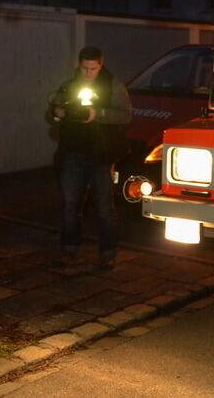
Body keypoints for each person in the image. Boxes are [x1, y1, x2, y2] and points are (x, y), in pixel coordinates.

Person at [46, 46, 131, 271]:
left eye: (93, 69)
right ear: (79, 64)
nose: (88, 73)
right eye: (84, 68)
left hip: (101, 155)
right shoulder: (69, 84)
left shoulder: (113, 85)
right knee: (70, 206)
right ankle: (68, 251)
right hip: (72, 153)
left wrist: (99, 114)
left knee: (105, 209)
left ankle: (107, 254)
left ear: (100, 65)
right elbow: (51, 111)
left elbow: (126, 114)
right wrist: (57, 113)